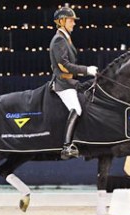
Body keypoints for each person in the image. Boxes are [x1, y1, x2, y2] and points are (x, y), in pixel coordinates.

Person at [49, 6, 98, 159]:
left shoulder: (65, 38)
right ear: (62, 21)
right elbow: (64, 65)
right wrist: (86, 70)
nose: (73, 23)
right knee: (76, 109)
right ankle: (67, 146)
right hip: (63, 84)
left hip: (69, 82)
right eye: (71, 20)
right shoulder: (59, 40)